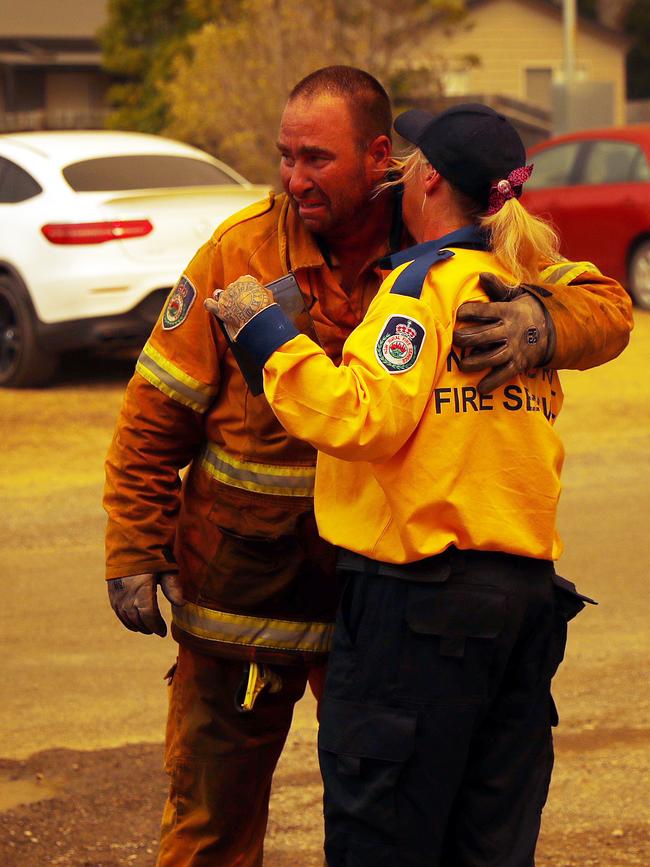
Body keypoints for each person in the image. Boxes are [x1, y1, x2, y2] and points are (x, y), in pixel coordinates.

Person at [104, 67, 632, 867]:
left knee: (390, 817)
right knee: (212, 820)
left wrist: (541, 322)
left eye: (316, 158)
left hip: (382, 601)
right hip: (244, 592)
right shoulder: (240, 251)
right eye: (284, 156)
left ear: (381, 157)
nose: (293, 179)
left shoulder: (440, 230)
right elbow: (156, 411)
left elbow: (606, 306)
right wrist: (134, 544)